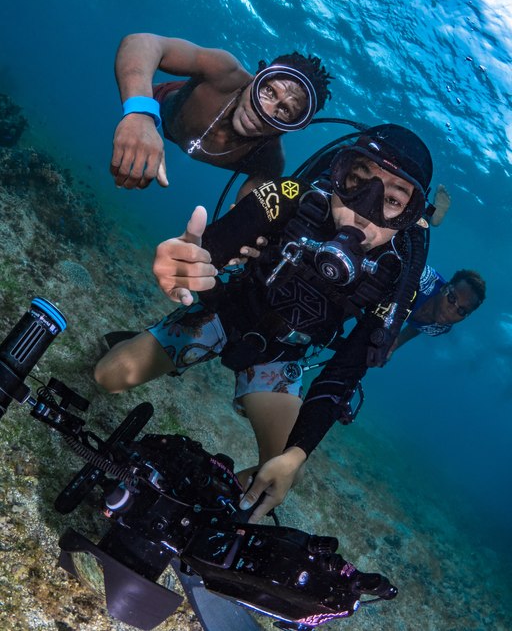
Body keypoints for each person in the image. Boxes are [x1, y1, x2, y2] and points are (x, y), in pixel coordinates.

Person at [95, 123, 433, 522]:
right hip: (225, 313)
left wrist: (297, 453)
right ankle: (149, 344)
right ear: (338, 174)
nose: (364, 211)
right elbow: (216, 244)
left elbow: (343, 374)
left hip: (280, 357)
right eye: (357, 182)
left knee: (279, 475)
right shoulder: (294, 196)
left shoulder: (397, 273)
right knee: (108, 376)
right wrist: (187, 261)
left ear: (411, 216)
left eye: (393, 200)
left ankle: (205, 509)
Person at [111, 33, 332, 197]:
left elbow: (247, 215)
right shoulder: (223, 72)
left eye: (285, 111)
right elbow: (142, 43)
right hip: (161, 104)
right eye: (268, 91)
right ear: (255, 78)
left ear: (291, 127)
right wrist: (140, 113)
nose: (264, 112)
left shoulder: (269, 161)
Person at [387, 266, 485, 358]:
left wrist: (394, 344)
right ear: (444, 288)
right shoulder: (421, 279)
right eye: (452, 298)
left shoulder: (441, 328)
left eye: (462, 311)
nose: (451, 311)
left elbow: (418, 327)